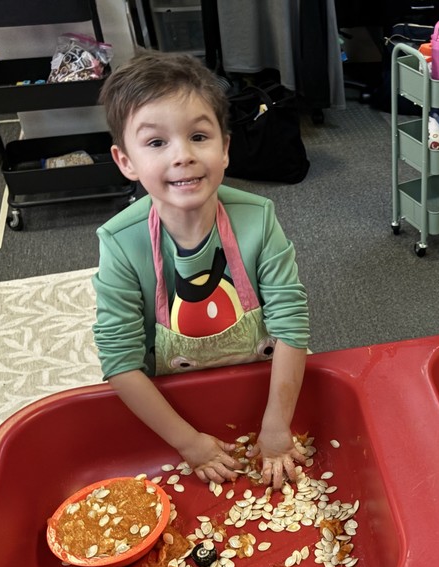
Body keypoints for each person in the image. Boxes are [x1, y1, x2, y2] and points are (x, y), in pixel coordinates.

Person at [93, 51, 309, 489]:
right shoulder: (120, 242)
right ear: (125, 161)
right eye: (156, 143)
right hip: (179, 406)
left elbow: (290, 324)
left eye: (198, 136)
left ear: (226, 148)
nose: (183, 156)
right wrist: (189, 443)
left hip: (259, 387)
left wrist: (276, 424)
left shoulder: (259, 218)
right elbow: (120, 361)